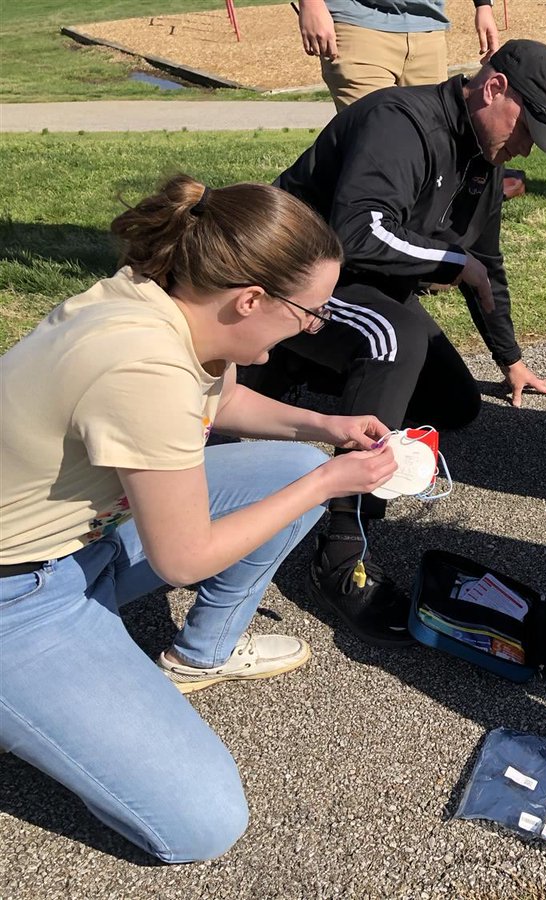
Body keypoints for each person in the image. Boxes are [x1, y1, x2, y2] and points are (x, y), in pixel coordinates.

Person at [0, 176, 398, 862]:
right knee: (202, 823)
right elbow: (184, 558)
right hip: (16, 597)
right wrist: (333, 482)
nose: (315, 326)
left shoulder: (165, 302)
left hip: (76, 544)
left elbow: (218, 405)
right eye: (312, 312)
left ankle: (199, 656)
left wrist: (320, 427)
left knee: (295, 467)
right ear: (251, 300)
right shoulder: (144, 368)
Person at [239, 39, 546, 648]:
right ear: (494, 88)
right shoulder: (401, 120)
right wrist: (451, 262)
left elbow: (486, 262)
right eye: (526, 131)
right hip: (299, 276)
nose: (527, 149)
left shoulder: (485, 155)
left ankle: (299, 386)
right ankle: (341, 553)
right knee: (395, 335)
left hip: (363, 286)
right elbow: (356, 231)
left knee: (455, 403)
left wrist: (511, 359)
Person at [296, 0, 501, 112]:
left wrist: (483, 5)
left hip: (428, 27)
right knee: (377, 141)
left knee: (430, 142)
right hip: (357, 23)